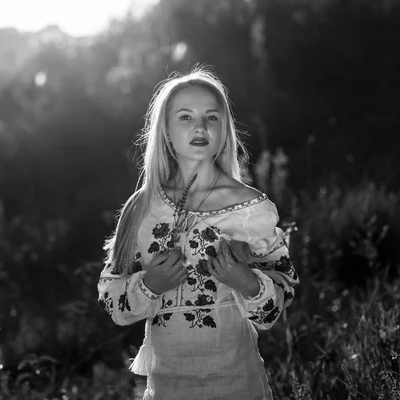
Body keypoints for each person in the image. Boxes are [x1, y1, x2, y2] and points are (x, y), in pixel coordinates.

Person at [97, 67, 299, 400]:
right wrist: (151, 285)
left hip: (238, 383)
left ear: (224, 129)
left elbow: (279, 300)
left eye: (211, 117)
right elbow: (111, 297)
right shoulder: (143, 207)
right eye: (186, 117)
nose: (200, 127)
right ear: (165, 130)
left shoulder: (251, 208)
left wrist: (246, 281)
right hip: (167, 388)